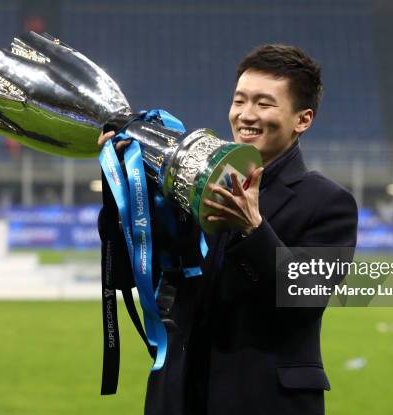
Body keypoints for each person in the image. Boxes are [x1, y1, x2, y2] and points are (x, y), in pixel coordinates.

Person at [98, 44, 358, 415]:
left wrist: (254, 228)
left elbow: (304, 300)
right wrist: (121, 192)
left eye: (264, 104)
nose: (245, 115)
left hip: (264, 401)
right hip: (178, 396)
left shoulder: (328, 203)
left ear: (303, 119)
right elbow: (129, 276)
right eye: (240, 101)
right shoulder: (190, 185)